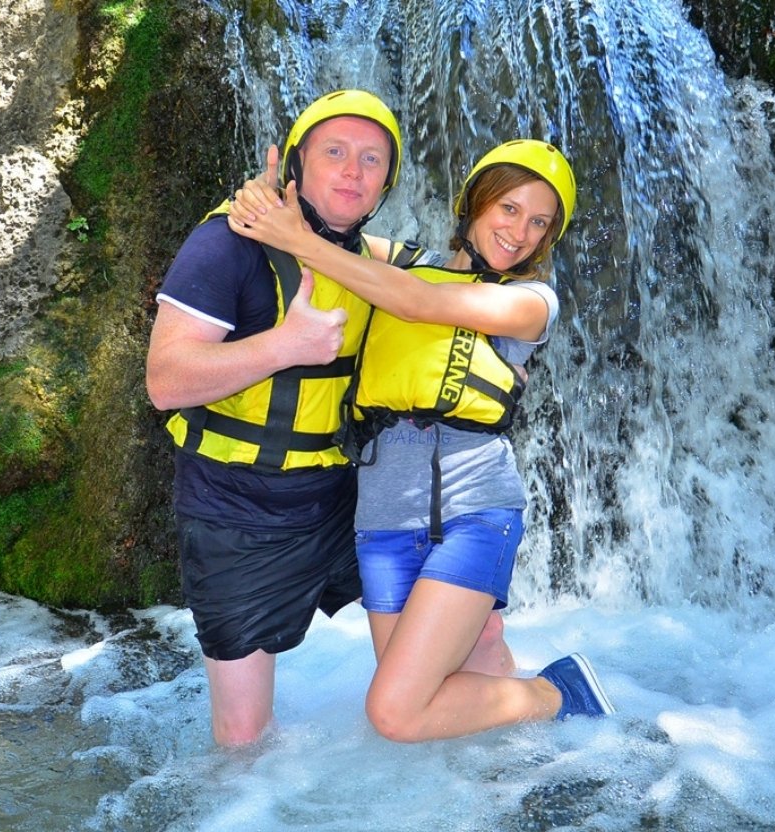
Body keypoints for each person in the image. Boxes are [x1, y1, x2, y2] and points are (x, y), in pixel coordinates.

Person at [145, 90, 506, 747]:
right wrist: (284, 346)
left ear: (386, 182)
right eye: (334, 152)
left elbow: (468, 275)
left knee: (475, 628)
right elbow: (165, 380)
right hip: (238, 508)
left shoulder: (376, 260)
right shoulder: (228, 243)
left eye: (371, 160)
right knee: (243, 737)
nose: (352, 171)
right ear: (295, 164)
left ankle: (511, 754)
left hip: (351, 499)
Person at [228, 139, 616, 742]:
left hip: (475, 510)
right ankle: (513, 759)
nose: (520, 233)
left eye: (540, 223)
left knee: (396, 711)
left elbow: (417, 303)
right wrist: (270, 201)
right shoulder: (406, 262)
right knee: (442, 692)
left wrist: (295, 239)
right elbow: (338, 229)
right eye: (509, 209)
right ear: (475, 203)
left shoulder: (532, 302)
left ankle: (561, 692)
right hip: (384, 518)